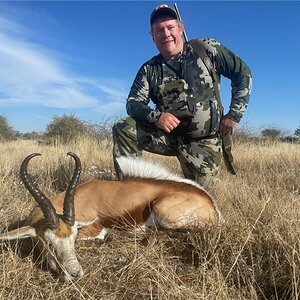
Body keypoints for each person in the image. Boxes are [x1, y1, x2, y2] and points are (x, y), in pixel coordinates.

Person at [112, 4, 252, 185]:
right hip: (168, 137)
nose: (166, 34)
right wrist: (156, 117)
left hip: (203, 142)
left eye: (170, 27)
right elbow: (133, 103)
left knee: (199, 200)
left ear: (180, 28)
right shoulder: (149, 69)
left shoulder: (206, 48)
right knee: (123, 127)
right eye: (159, 30)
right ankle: (130, 189)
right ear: (152, 37)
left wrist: (235, 114)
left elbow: (242, 73)